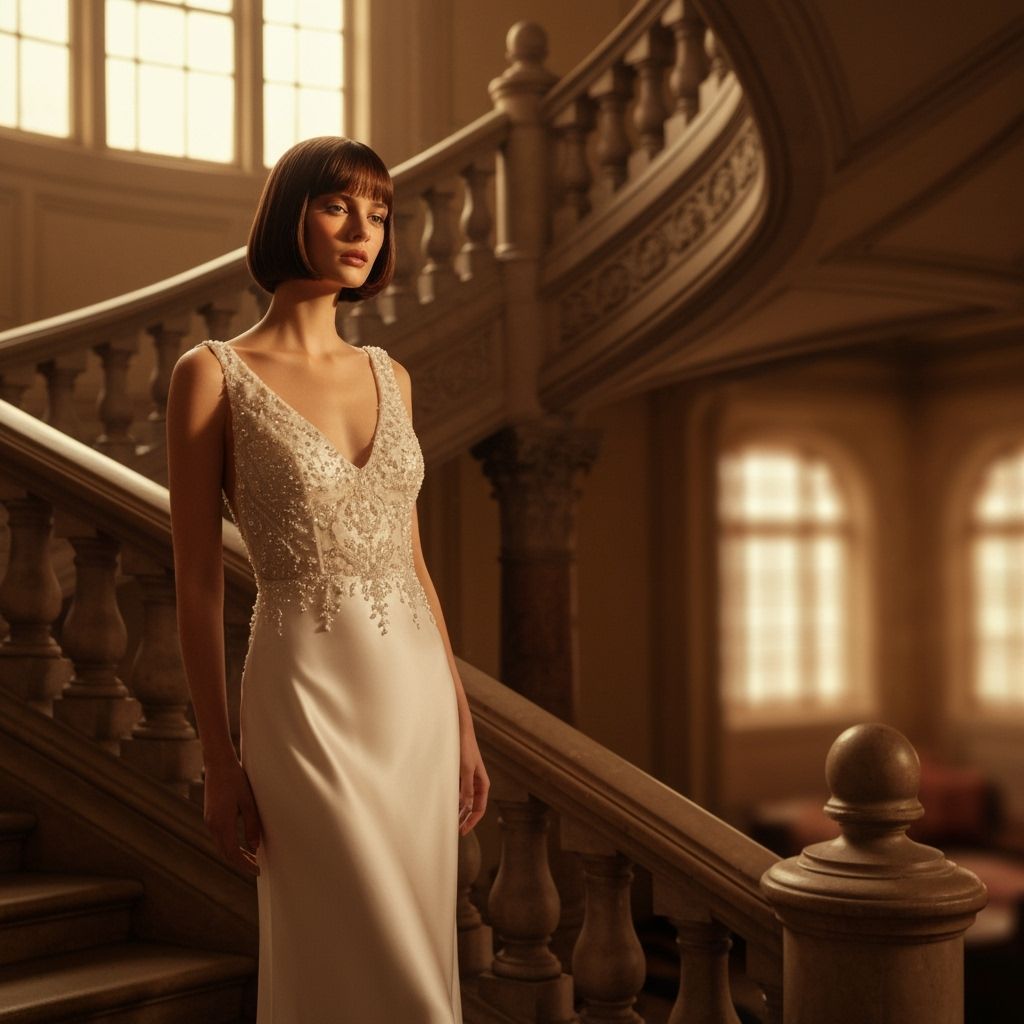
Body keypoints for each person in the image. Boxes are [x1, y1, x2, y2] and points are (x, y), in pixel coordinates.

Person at [165, 135, 488, 1023]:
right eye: (339, 205)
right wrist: (220, 760)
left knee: (418, 944)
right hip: (302, 698)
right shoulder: (211, 375)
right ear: (290, 214)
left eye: (380, 213)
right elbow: (195, 582)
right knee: (358, 947)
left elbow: (413, 560)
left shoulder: (392, 374)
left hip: (414, 704)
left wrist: (459, 719)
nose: (364, 229)